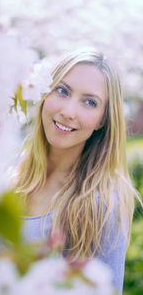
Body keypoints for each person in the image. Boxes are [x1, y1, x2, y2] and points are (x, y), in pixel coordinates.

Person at [13, 48, 137, 294]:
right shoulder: (14, 169)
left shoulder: (102, 204)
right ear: (45, 92)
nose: (69, 112)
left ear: (102, 120)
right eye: (63, 91)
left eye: (90, 102)